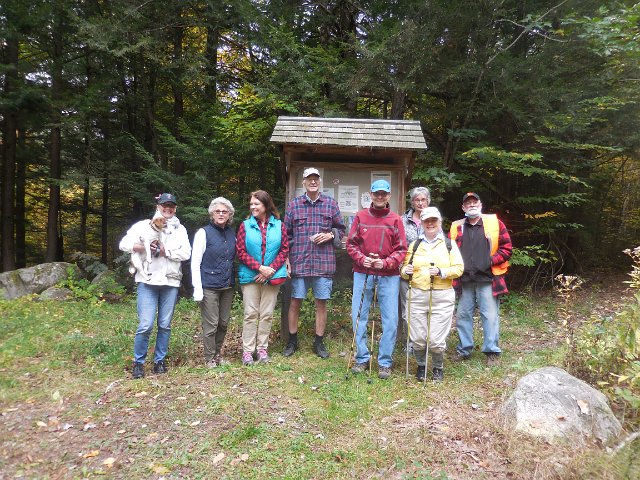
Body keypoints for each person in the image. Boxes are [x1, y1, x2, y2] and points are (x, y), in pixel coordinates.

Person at [119, 193, 191, 379]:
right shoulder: (144, 226)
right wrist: (144, 248)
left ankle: (160, 361)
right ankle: (139, 363)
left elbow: (186, 253)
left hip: (171, 281)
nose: (168, 209)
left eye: (171, 206)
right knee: (145, 324)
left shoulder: (180, 229)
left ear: (175, 208)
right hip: (147, 280)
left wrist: (165, 251)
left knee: (165, 325)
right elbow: (124, 244)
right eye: (164, 205)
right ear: (158, 206)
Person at [282, 167, 346, 358]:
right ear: (303, 182)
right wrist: (286, 259)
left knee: (321, 303)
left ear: (320, 182)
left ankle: (319, 342)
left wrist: (330, 235)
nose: (313, 182)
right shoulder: (294, 205)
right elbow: (286, 235)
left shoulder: (330, 204)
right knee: (295, 302)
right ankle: (292, 341)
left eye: (316, 179)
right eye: (309, 179)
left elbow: (341, 229)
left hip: (323, 263)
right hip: (299, 262)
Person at [346, 179, 407, 379]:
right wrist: (363, 259)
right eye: (376, 193)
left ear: (389, 196)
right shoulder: (360, 216)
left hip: (389, 275)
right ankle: (362, 358)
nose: (380, 197)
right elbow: (351, 244)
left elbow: (402, 249)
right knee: (358, 316)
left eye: (384, 193)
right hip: (362, 272)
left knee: (390, 319)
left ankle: (385, 362)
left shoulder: (396, 219)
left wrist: (387, 263)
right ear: (370, 195)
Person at [401, 207, 464, 382]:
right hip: (417, 295)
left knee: (436, 340)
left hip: (442, 296)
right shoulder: (415, 245)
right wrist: (405, 270)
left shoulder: (449, 244)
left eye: (433, 221)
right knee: (418, 339)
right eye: (426, 221)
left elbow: (459, 268)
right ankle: (421, 366)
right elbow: (404, 271)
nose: (430, 224)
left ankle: (438, 367)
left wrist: (441, 272)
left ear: (439, 222)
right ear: (421, 223)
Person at [450, 192, 512, 366]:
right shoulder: (456, 227)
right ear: (463, 207)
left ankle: (491, 351)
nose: (471, 205)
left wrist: (490, 260)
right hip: (464, 280)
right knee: (463, 316)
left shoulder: (494, 223)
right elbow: (449, 251)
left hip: (488, 279)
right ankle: (464, 350)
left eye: (474, 202)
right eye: (467, 203)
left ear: (480, 204)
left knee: (490, 315)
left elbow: (507, 248)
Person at [236, 190, 289, 366]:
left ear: (266, 205)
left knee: (266, 314)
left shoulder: (279, 225)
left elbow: (284, 249)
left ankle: (262, 349)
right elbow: (240, 252)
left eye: (256, 204)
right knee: (250, 313)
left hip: (272, 276)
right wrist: (259, 268)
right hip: (251, 276)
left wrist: (270, 269)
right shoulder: (245, 225)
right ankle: (248, 351)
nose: (252, 207)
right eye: (251, 204)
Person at [191, 197, 236, 368]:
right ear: (212, 213)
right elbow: (195, 262)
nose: (221, 214)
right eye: (218, 211)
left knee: (223, 323)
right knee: (211, 324)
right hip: (208, 286)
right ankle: (209, 358)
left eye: (224, 211)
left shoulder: (232, 233)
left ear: (229, 214)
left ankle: (217, 354)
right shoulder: (203, 233)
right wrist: (197, 289)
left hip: (227, 285)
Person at [399, 187, 431, 347]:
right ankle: (410, 343)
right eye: (417, 200)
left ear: (428, 201)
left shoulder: (434, 220)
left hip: (428, 274)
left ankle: (426, 341)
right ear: (412, 202)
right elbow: (397, 247)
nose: (420, 203)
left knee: (426, 310)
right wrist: (401, 269)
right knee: (408, 311)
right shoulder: (402, 221)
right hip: (408, 273)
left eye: (423, 199)